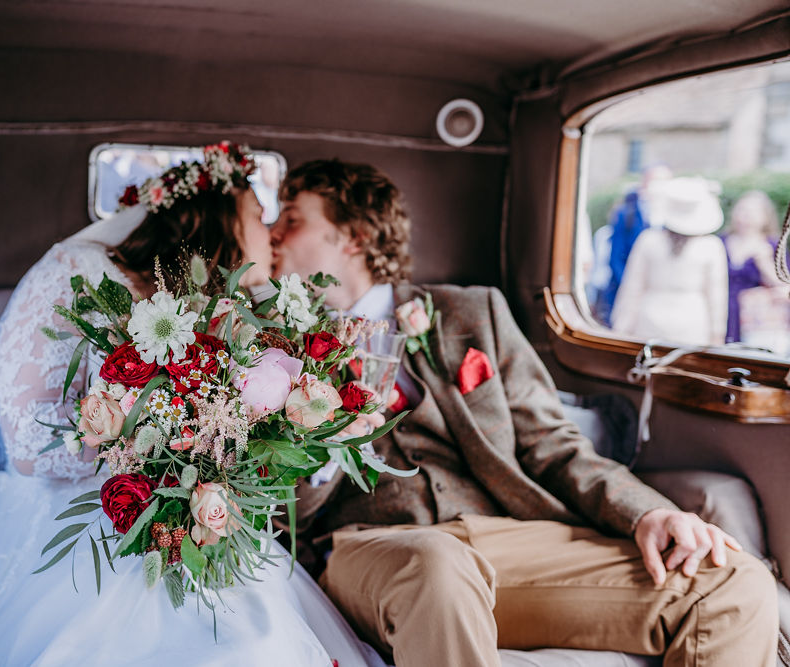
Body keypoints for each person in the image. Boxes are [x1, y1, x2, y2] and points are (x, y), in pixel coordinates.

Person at [269, 158, 778, 666]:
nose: (273, 232)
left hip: (510, 536)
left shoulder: (472, 312)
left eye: (291, 218)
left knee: (734, 580)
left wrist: (648, 511)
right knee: (437, 564)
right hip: (371, 547)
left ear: (354, 237)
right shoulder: (274, 350)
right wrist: (330, 445)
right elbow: (283, 509)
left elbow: (553, 443)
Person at [0, 145, 384, 667]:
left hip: (189, 510)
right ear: (220, 217)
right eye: (261, 215)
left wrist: (213, 455)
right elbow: (30, 447)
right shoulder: (81, 273)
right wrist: (144, 453)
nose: (273, 236)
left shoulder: (224, 310)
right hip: (78, 515)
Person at [611, 177, 728, 346]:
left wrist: (621, 327)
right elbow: (717, 294)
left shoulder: (648, 239)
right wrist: (717, 333)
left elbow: (632, 288)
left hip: (650, 321)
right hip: (693, 323)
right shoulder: (712, 246)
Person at [593, 164, 672, 324]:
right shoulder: (626, 213)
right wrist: (630, 288)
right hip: (626, 287)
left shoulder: (672, 216)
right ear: (644, 183)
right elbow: (615, 256)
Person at [723, 190, 782, 343]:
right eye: (742, 210)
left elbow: (783, 287)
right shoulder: (719, 242)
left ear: (765, 217)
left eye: (752, 211)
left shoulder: (773, 246)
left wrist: (765, 263)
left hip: (752, 321)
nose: (745, 216)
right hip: (720, 313)